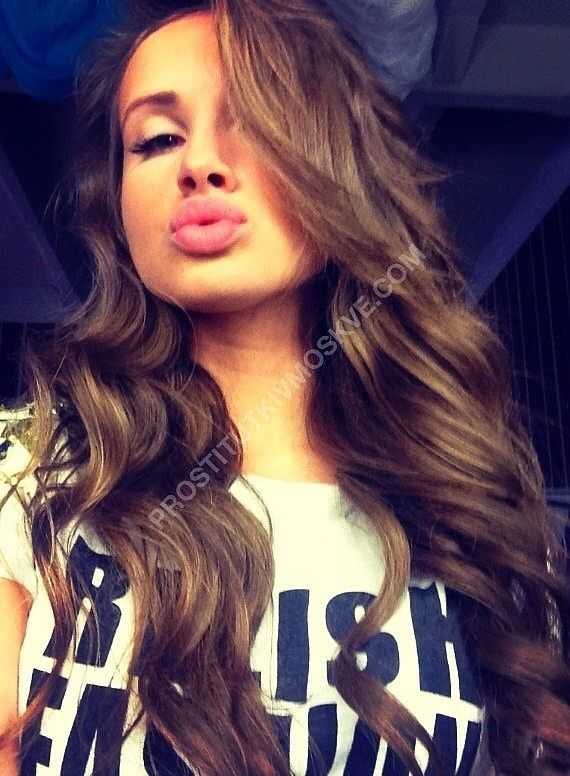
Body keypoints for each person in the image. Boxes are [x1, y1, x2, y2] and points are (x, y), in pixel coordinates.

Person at [0, 0, 569, 774]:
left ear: (341, 170)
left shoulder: (476, 512)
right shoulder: (36, 479)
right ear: (119, 205)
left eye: (260, 123)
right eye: (157, 139)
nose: (199, 165)